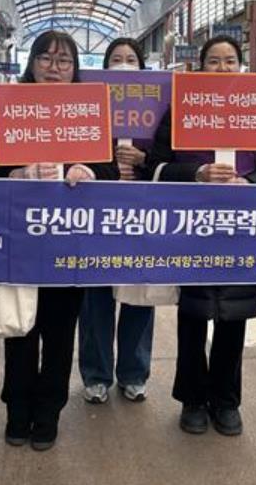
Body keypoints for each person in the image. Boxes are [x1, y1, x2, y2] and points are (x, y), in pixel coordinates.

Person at [0, 30, 119, 451]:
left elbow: (110, 171)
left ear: (75, 69)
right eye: (46, 58)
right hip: (18, 240)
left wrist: (89, 171)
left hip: (68, 243)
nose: (54, 68)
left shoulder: (91, 113)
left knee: (59, 332)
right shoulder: (7, 109)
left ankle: (49, 413)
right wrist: (16, 173)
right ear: (32, 63)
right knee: (18, 328)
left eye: (64, 61)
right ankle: (16, 410)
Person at [145, 34, 256, 436]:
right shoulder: (180, 108)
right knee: (193, 313)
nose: (222, 68)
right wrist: (197, 173)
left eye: (230, 61)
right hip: (193, 226)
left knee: (234, 316)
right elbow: (156, 166)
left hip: (242, 226)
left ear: (241, 66)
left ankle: (226, 400)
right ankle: (192, 399)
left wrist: (250, 182)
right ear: (200, 66)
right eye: (214, 61)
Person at [78, 37, 155, 404]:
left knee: (140, 293)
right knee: (95, 295)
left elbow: (170, 155)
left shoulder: (159, 106)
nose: (124, 64)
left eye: (131, 59)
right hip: (98, 209)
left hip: (143, 209)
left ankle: (134, 372)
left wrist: (144, 159)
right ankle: (96, 374)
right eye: (116, 59)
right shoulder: (87, 105)